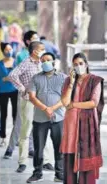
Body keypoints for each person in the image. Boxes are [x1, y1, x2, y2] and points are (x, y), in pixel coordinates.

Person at [8, 41, 53, 173]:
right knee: (26, 131)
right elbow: (12, 75)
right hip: (28, 101)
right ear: (34, 51)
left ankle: (47, 161)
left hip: (42, 101)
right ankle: (22, 162)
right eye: (42, 49)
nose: (44, 51)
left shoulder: (43, 63)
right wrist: (23, 89)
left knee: (44, 130)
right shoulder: (27, 63)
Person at [60, 52, 104, 184]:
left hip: (87, 124)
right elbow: (64, 102)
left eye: (80, 63)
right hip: (71, 125)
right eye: (75, 64)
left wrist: (74, 105)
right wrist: (72, 83)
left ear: (86, 64)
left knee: (86, 156)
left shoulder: (95, 80)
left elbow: (93, 103)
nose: (78, 66)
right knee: (70, 156)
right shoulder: (68, 81)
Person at [26, 52, 66, 183]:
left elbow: (66, 98)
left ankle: (59, 174)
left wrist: (52, 109)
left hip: (58, 118)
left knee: (59, 147)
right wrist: (45, 109)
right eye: (43, 60)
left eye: (48, 60)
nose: (45, 62)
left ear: (54, 61)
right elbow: (32, 97)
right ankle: (37, 173)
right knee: (38, 148)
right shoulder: (35, 78)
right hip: (39, 119)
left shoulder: (63, 78)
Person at [2, 30, 40, 160]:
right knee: (20, 122)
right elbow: (14, 74)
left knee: (33, 123)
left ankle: (31, 149)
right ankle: (10, 148)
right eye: (35, 38)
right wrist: (22, 88)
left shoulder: (40, 60)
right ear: (29, 42)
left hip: (37, 97)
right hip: (25, 96)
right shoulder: (23, 57)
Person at [0, 42, 18, 147]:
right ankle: (3, 138)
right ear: (3, 51)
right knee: (3, 114)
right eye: (7, 50)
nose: (9, 51)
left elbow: (21, 76)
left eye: (10, 49)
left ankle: (15, 138)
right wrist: (3, 79)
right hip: (3, 91)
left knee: (15, 115)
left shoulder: (17, 62)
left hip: (15, 91)